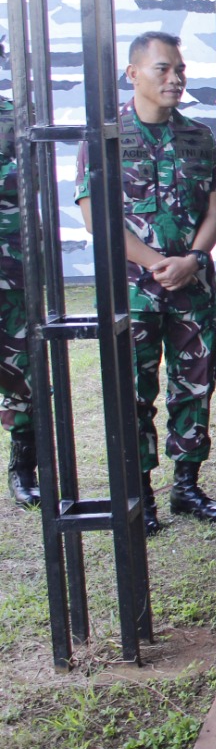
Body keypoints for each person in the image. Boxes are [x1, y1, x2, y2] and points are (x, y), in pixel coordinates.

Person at [75, 32, 216, 534]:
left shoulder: (199, 137)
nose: (175, 78)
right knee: (134, 392)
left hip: (193, 289)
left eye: (179, 69)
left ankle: (187, 485)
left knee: (195, 386)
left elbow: (214, 207)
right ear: (132, 73)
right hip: (132, 293)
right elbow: (95, 214)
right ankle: (140, 491)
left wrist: (193, 258)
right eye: (163, 69)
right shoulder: (105, 137)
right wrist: (158, 262)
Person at [0, 96, 36, 508]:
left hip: (13, 264)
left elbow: (30, 179)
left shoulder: (15, 115)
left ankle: (23, 468)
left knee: (21, 363)